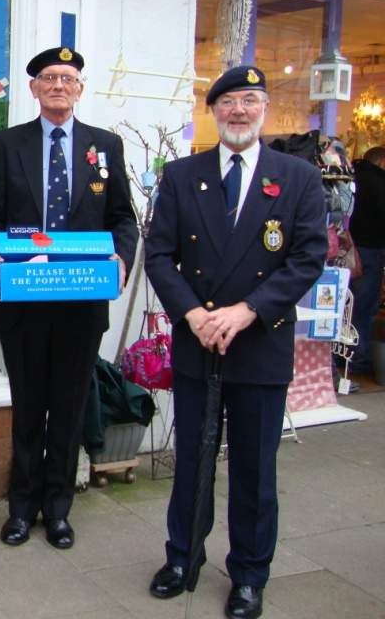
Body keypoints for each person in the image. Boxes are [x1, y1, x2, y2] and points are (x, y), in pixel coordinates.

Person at [144, 65, 327, 619]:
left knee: (253, 469)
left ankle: (249, 574)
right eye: (229, 103)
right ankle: (183, 559)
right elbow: (158, 255)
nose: (240, 111)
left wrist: (249, 310)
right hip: (199, 342)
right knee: (193, 461)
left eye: (250, 101)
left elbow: (307, 257)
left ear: (264, 108)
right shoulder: (181, 175)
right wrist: (195, 315)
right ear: (214, 112)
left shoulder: (297, 177)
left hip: (260, 345)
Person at [0, 46, 137, 551]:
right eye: (49, 78)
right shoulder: (9, 144)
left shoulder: (105, 146)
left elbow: (123, 219)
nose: (58, 86)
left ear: (80, 89)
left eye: (67, 78)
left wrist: (121, 259)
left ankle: (59, 508)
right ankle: (21, 507)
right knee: (28, 408)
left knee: (68, 409)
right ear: (34, 88)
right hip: (25, 299)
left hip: (81, 304)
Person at [345, 145, 385, 377]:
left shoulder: (353, 176)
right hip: (370, 249)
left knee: (348, 305)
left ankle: (344, 354)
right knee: (364, 306)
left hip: (349, 249)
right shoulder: (378, 183)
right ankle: (358, 357)